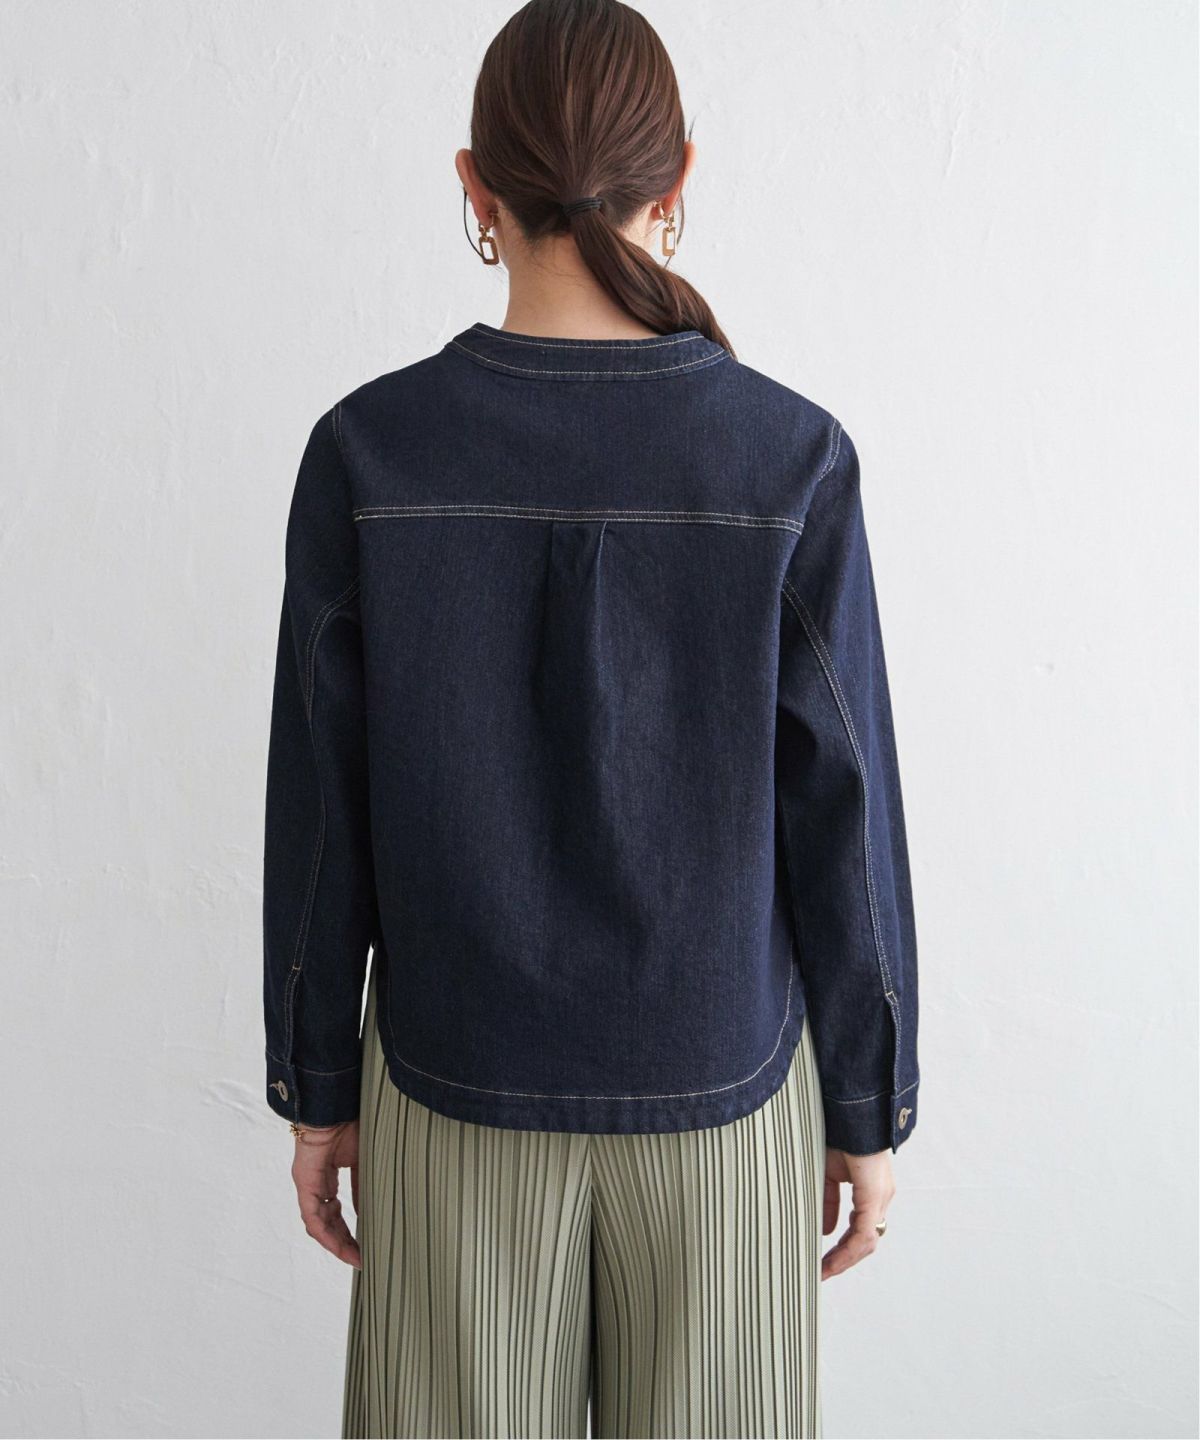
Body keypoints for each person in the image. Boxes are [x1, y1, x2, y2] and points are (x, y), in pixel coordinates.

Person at [261, 1, 920, 1435]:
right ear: (676, 177)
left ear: (474, 184)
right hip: (723, 1092)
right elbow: (845, 810)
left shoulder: (370, 452)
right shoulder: (789, 457)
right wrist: (869, 1105)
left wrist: (317, 1086)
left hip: (451, 1088)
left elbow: (320, 815)